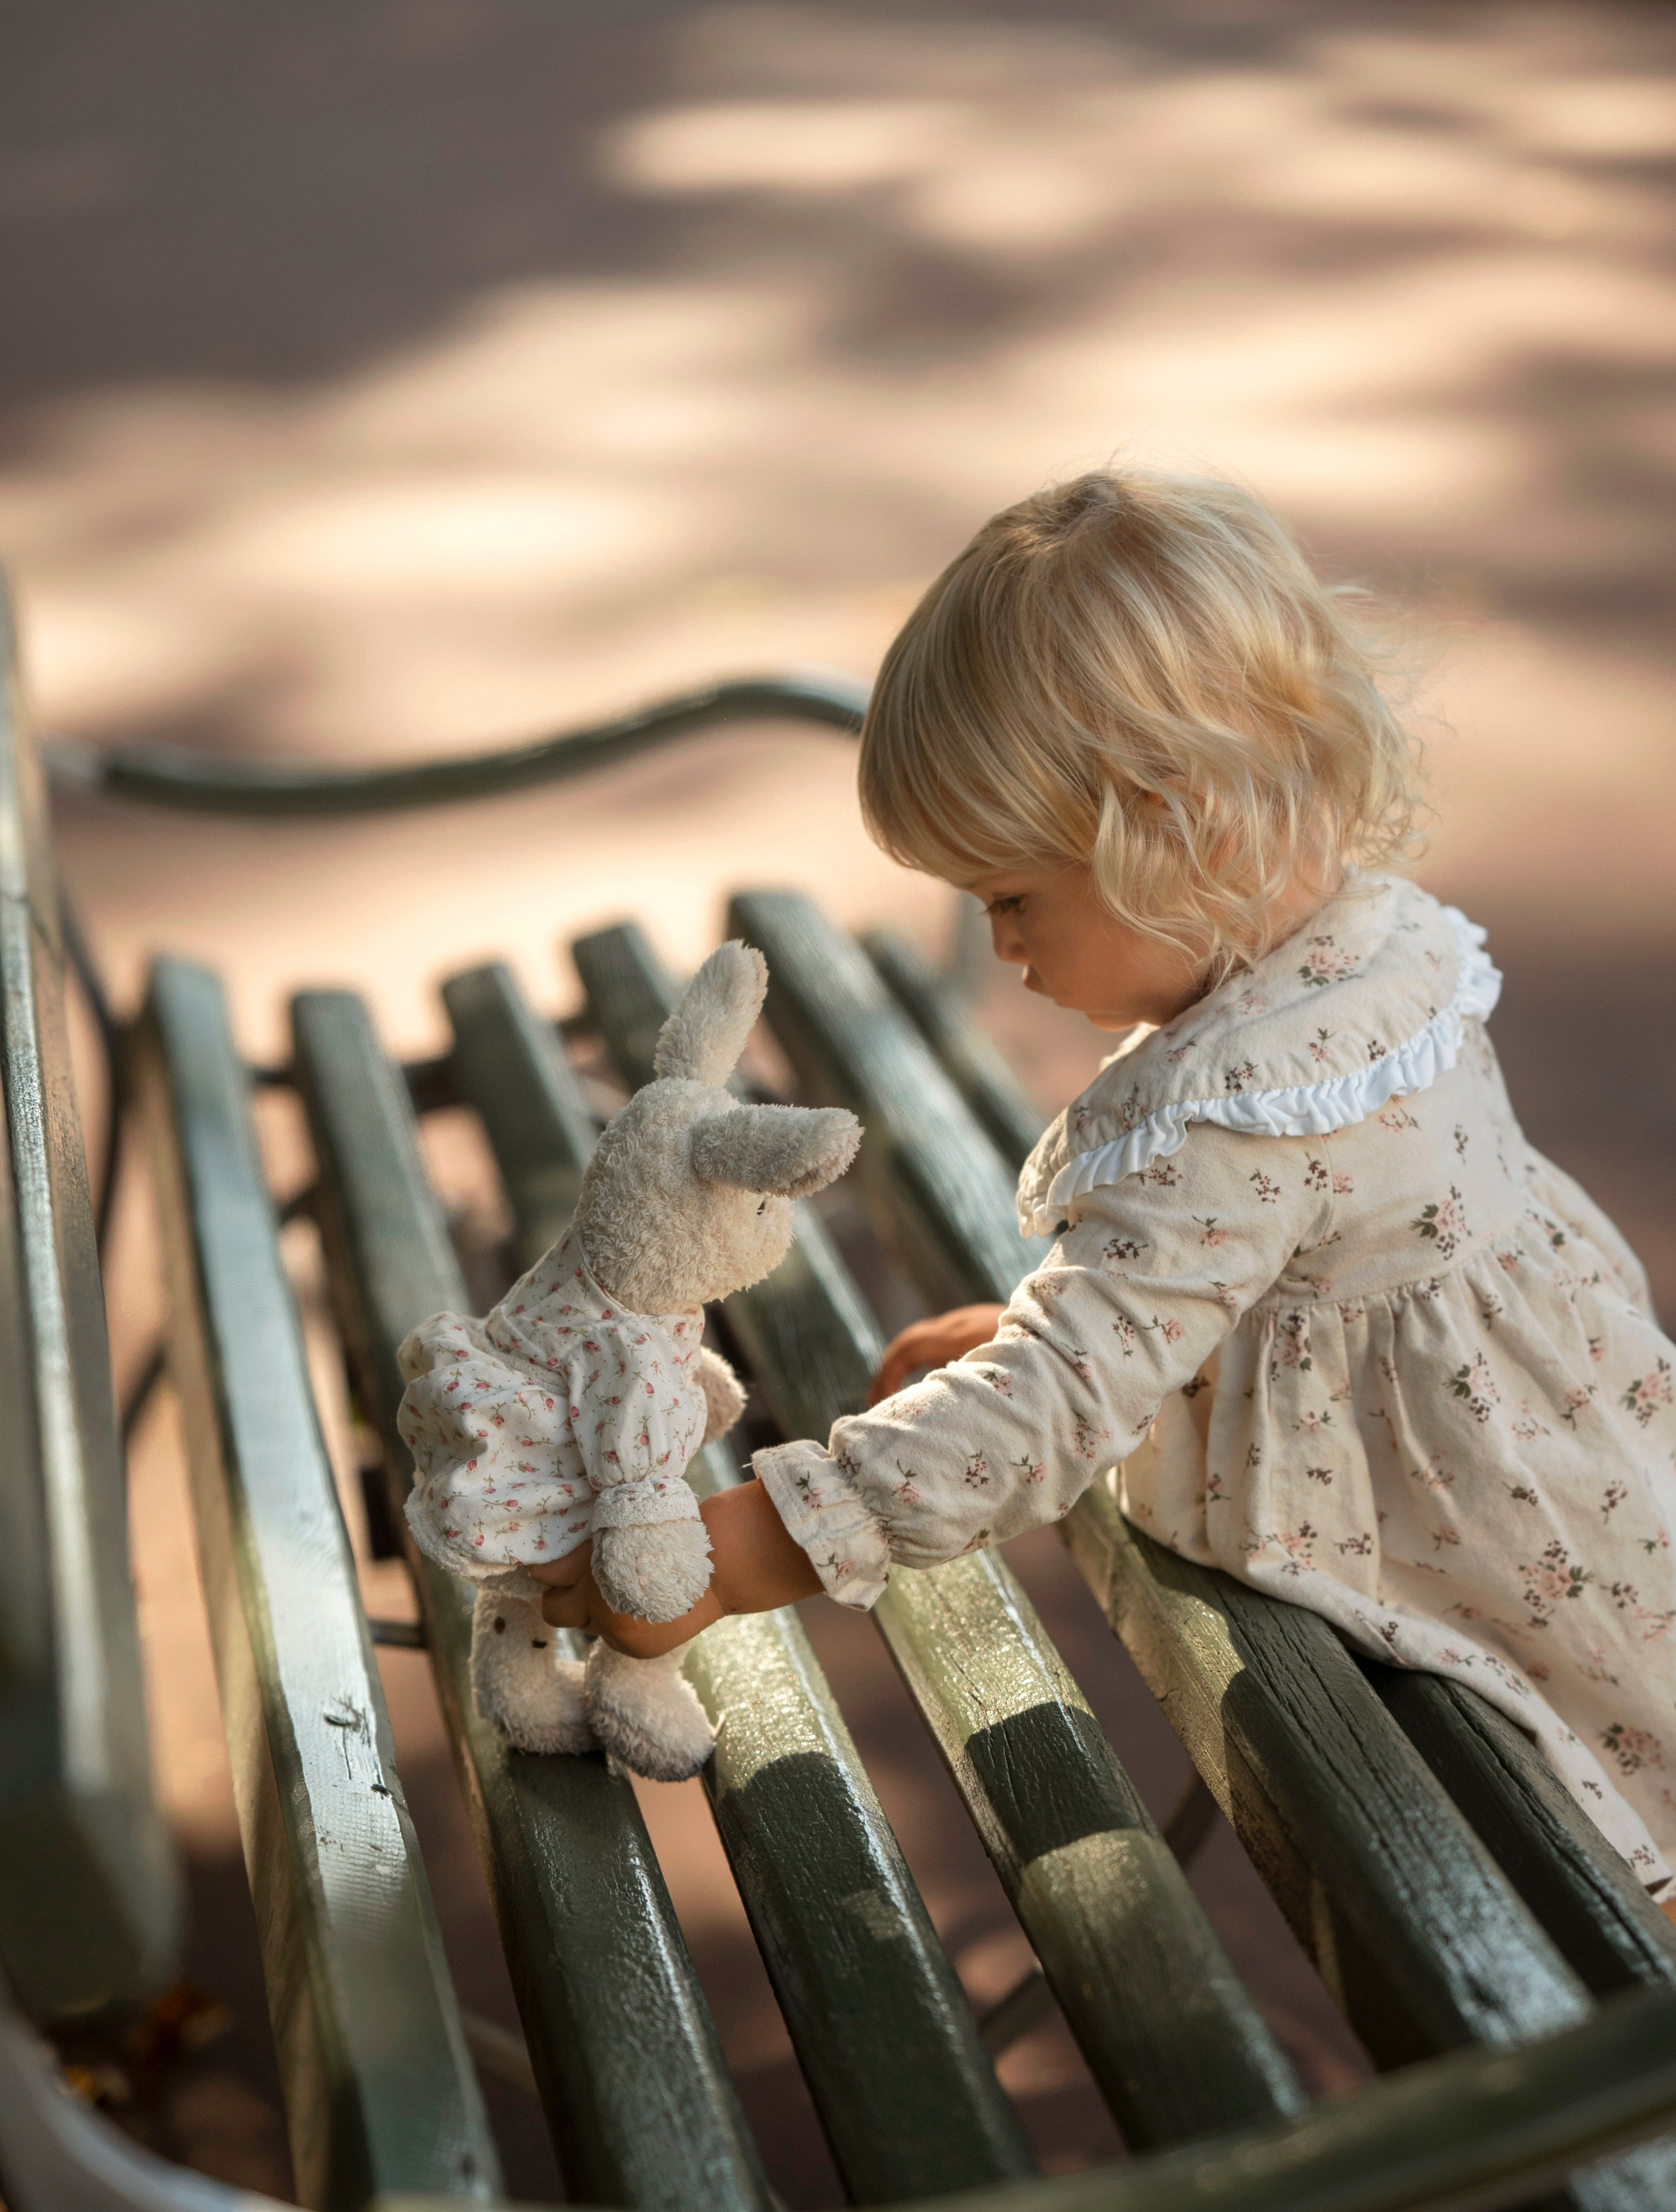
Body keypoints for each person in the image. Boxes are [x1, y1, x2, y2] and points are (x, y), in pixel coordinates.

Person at [535, 468, 1676, 1911]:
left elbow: (1059, 1405)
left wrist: (735, 1551)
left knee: (1622, 1848)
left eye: (1012, 897)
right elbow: (1264, 1279)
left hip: (1494, 1561)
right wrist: (1079, 1332)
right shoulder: (1366, 944)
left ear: (1166, 826)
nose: (997, 944)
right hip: (1571, 1451)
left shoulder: (1242, 1110)